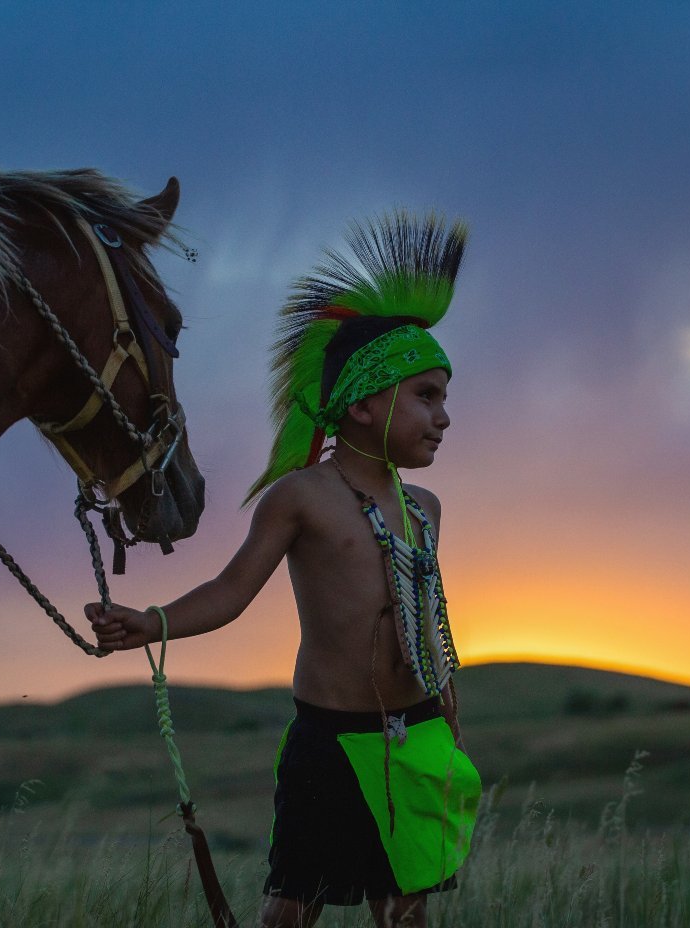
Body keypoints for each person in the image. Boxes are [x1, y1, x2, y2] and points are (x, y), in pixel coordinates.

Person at [87, 211, 482, 928]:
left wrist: (445, 686)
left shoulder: (425, 506)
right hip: (330, 739)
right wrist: (152, 623)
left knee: (406, 909)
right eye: (425, 395)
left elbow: (424, 608)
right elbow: (232, 591)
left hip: (418, 730)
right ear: (362, 403)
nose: (443, 417)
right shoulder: (303, 497)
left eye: (444, 398)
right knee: (291, 909)